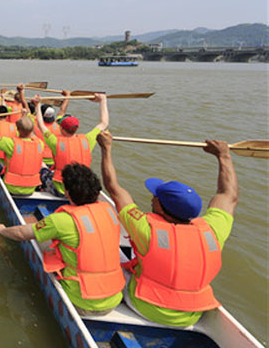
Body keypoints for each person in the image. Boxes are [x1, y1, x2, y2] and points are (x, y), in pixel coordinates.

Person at [97, 131, 237, 327]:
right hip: (191, 315)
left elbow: (113, 187)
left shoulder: (147, 229)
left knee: (110, 257)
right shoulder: (213, 230)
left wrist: (106, 148)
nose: (152, 197)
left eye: (156, 196)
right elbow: (228, 194)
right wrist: (224, 157)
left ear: (161, 206)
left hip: (146, 306)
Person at [0, 163, 125, 315]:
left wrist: (1, 230)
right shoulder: (109, 211)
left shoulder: (61, 220)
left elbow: (22, 234)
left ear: (67, 192)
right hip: (114, 300)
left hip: (81, 303)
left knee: (41, 239)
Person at [35, 93, 108, 195]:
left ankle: (42, 188)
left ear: (61, 129)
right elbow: (104, 123)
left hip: (61, 191)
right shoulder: (87, 140)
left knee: (41, 165)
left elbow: (40, 124)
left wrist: (38, 104)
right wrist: (103, 101)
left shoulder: (55, 142)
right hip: (79, 189)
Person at [0, 114, 48, 195]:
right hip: (31, 189)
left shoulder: (10, 143)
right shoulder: (40, 144)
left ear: (18, 129)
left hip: (11, 188)